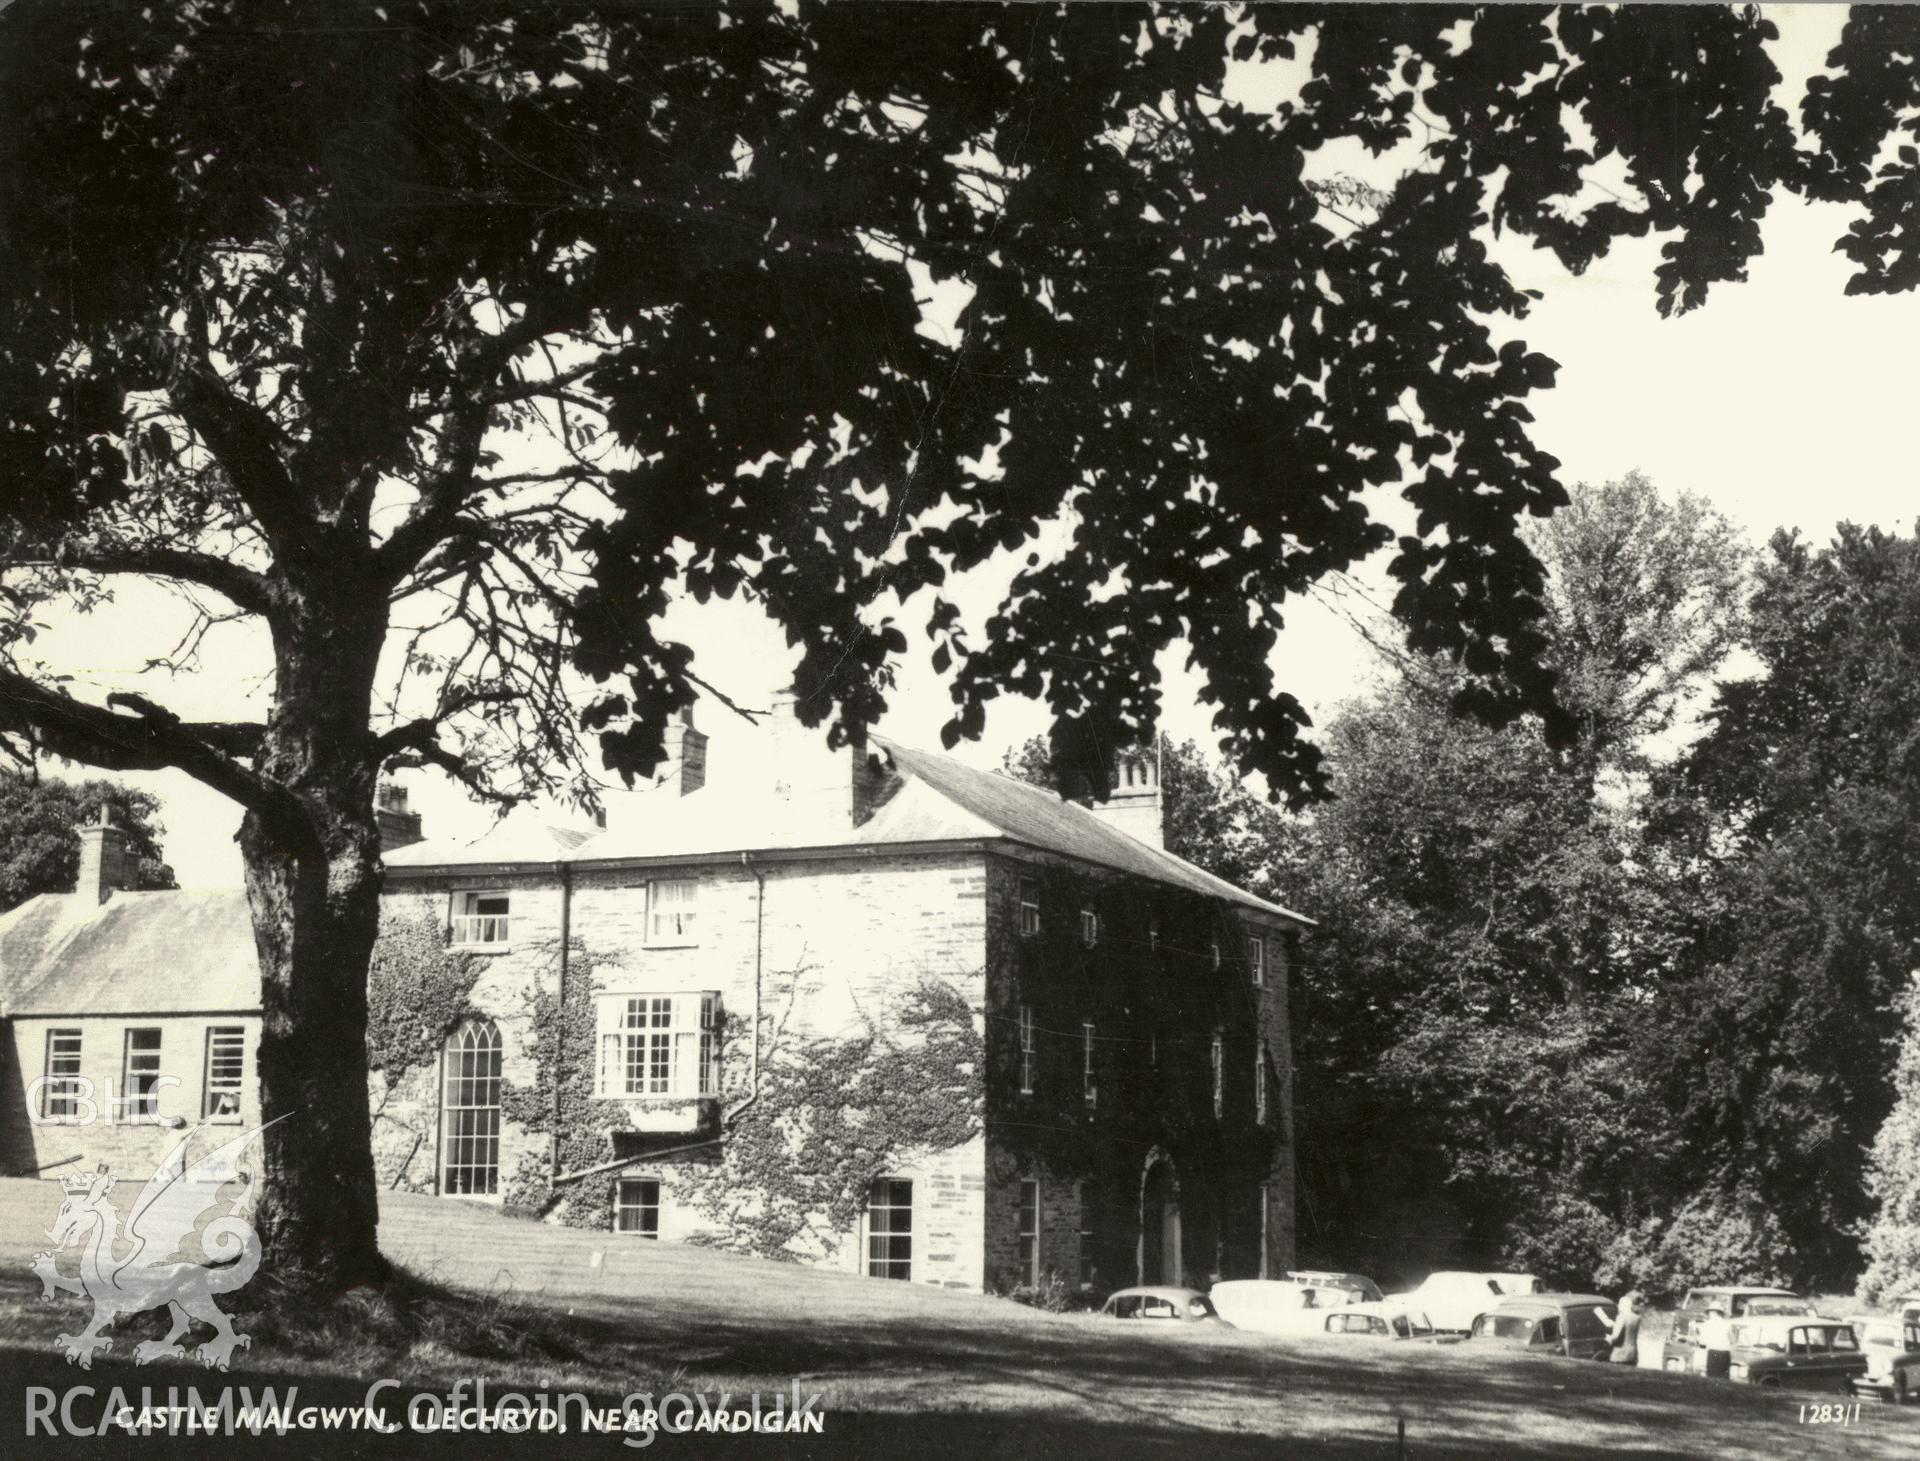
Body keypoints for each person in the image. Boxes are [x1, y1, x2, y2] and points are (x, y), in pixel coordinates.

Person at [1603, 1291, 1643, 1364]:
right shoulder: (1637, 1318)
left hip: (1620, 1354)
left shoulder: (1621, 1317)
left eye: (1619, 1304)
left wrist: (1608, 1338)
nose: (1618, 1306)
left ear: (1623, 1305)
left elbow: (1615, 1337)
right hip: (1633, 1354)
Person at [1696, 1304, 1733, 1379]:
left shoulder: (1706, 1324)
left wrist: (1698, 1345)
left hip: (1713, 1352)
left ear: (1713, 1312)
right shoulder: (1727, 1323)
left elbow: (1702, 1342)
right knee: (1724, 1378)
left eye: (1709, 1312)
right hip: (1725, 1353)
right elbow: (1732, 1340)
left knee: (1712, 1377)